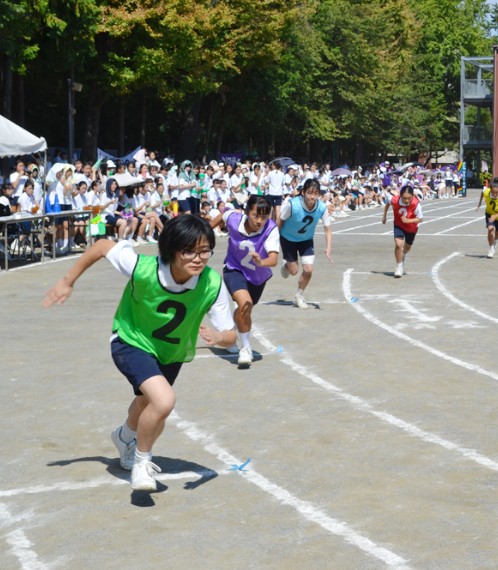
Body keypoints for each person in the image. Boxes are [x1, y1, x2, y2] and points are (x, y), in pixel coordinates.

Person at [42, 215, 237, 491]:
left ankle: (124, 437)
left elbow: (230, 335)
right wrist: (67, 280)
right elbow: (101, 246)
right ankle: (142, 462)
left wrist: (219, 337)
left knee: (147, 403)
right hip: (130, 340)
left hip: (171, 352)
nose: (199, 258)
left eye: (205, 250)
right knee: (164, 400)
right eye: (190, 251)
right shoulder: (142, 267)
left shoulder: (211, 284)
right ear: (171, 249)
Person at [213, 196, 279, 366]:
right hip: (234, 268)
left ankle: (230, 334)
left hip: (258, 276)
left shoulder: (271, 229)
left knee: (245, 311)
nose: (259, 221)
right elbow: (222, 216)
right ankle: (246, 348)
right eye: (256, 215)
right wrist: (205, 233)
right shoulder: (234, 219)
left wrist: (261, 262)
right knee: (245, 304)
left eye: (264, 217)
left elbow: (273, 259)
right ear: (247, 212)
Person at [278, 178, 333, 308]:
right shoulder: (292, 205)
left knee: (308, 269)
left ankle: (299, 295)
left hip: (306, 240)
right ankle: (286, 265)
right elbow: (280, 220)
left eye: (316, 193)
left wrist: (328, 248)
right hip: (288, 239)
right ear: (303, 192)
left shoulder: (321, 207)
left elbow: (327, 229)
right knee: (293, 271)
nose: (312, 197)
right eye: (309, 193)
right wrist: (274, 239)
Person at [381, 183, 423, 277]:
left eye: (409, 198)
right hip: (398, 224)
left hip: (411, 227)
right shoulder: (394, 200)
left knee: (407, 248)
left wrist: (409, 220)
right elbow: (388, 203)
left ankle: (403, 255)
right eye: (404, 198)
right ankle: (399, 267)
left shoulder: (415, 203)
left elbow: (420, 219)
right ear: (400, 195)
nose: (406, 200)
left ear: (412, 196)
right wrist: (384, 216)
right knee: (398, 244)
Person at [475, 177, 498, 259]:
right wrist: (479, 204)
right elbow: (482, 193)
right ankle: (491, 248)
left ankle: (495, 241)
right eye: (493, 193)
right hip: (489, 214)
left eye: (497, 193)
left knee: (497, 234)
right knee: (490, 230)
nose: (495, 195)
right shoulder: (486, 192)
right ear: (490, 190)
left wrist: (495, 217)